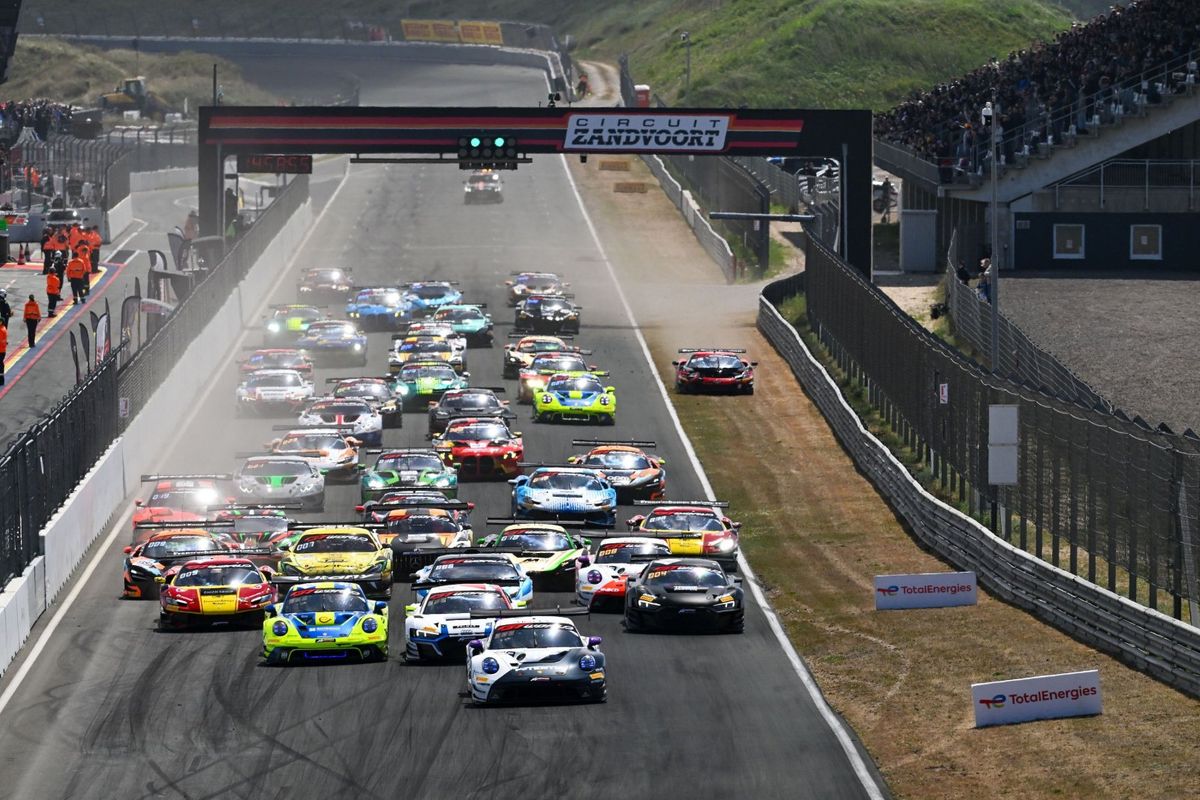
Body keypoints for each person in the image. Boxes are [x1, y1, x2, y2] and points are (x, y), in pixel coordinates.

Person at [0, 318, 6, 385]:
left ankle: (1, 381)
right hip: (2, 350)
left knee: (0, 365)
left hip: (1, 350)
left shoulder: (1, 330)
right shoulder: (3, 328)